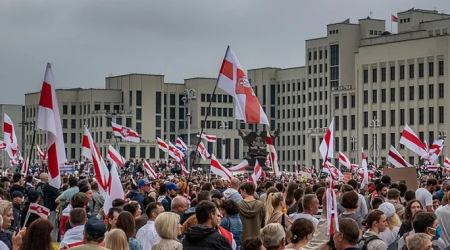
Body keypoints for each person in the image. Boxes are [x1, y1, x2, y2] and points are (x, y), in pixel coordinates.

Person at [40, 173, 59, 241]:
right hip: (52, 209)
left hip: (46, 208)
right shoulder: (52, 187)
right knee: (52, 226)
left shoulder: (44, 187)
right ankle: (52, 242)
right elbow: (58, 196)